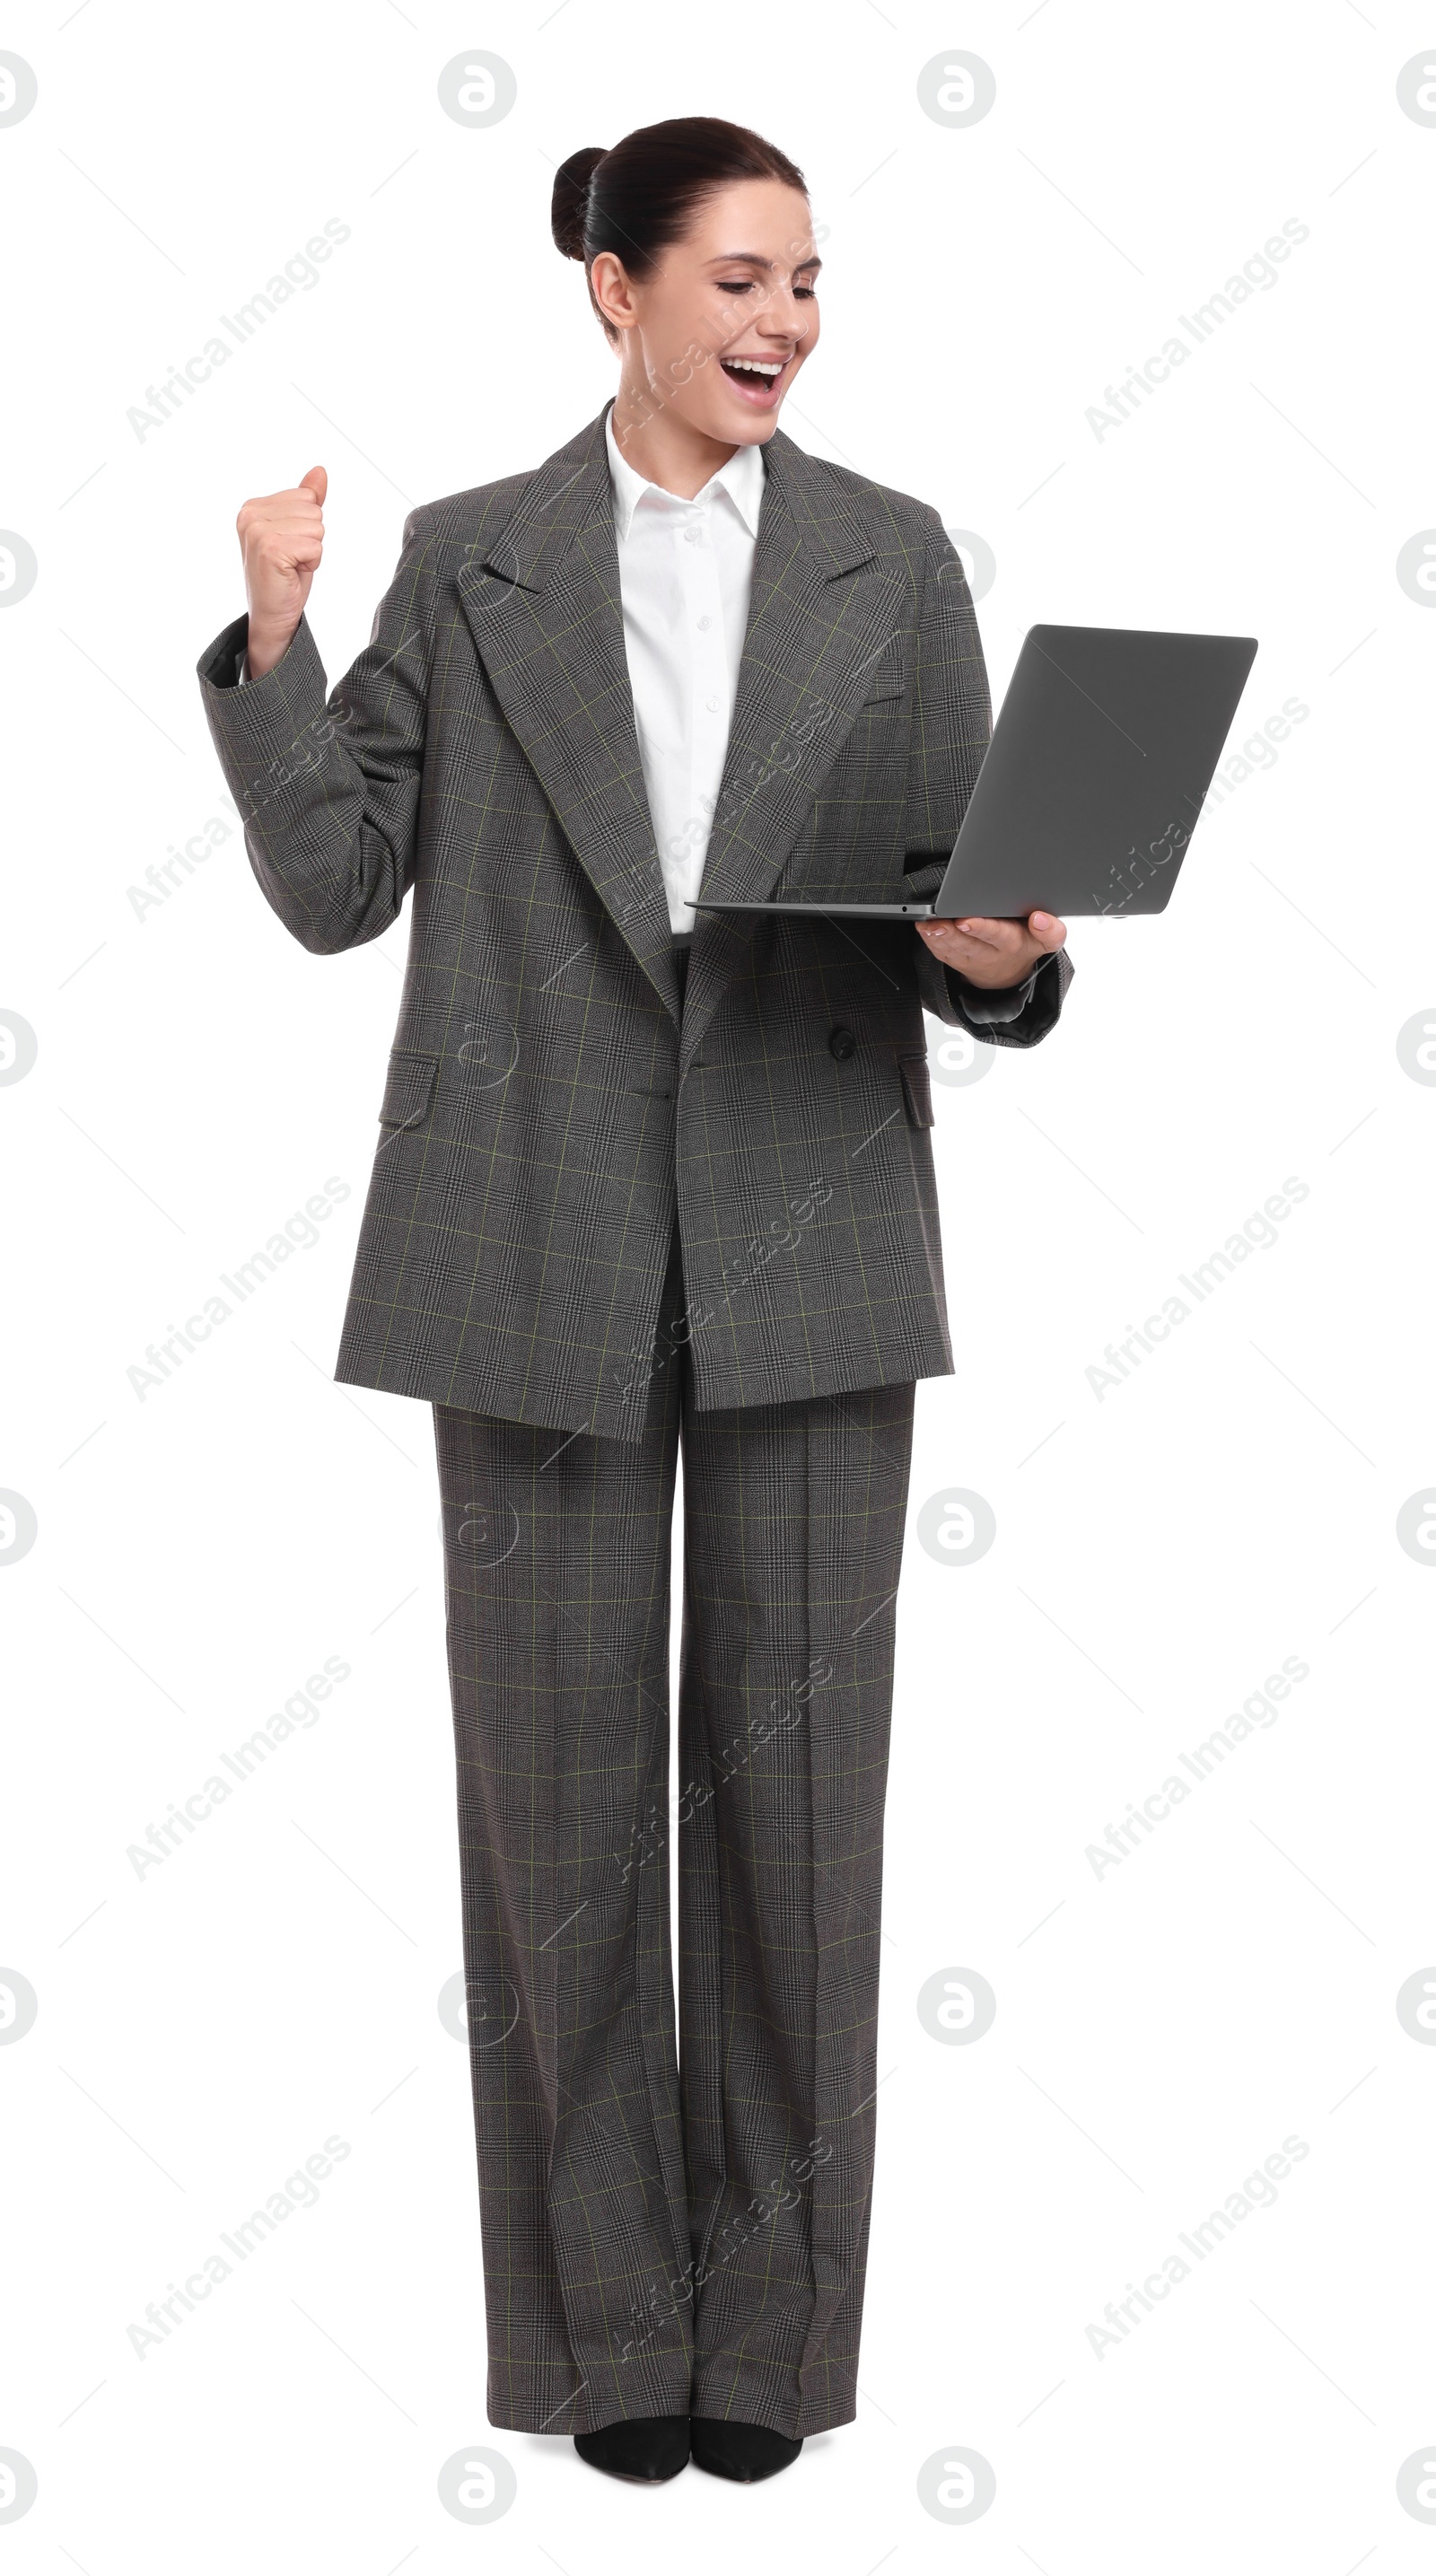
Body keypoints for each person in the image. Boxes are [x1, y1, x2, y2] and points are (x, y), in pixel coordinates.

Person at [197, 114, 1073, 2487]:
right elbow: (331, 882)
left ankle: (766, 2353)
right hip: (531, 1241)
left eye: (812, 279)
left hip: (810, 1224)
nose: (787, 318)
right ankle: (605, 2356)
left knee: (801, 1819)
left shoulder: (893, 563)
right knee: (562, 1830)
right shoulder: (474, 561)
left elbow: (973, 907)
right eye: (742, 276)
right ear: (616, 285)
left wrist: (1004, 957)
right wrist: (276, 639)